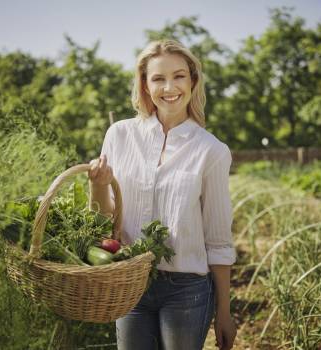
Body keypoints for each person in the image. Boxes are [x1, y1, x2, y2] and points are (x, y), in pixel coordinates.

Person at [88, 39, 237, 350]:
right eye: (158, 78)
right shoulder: (120, 135)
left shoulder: (211, 151)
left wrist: (225, 311)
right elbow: (104, 220)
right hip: (130, 282)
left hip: (187, 289)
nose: (170, 87)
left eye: (179, 76)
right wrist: (99, 184)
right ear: (144, 84)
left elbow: (218, 240)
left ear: (193, 81)